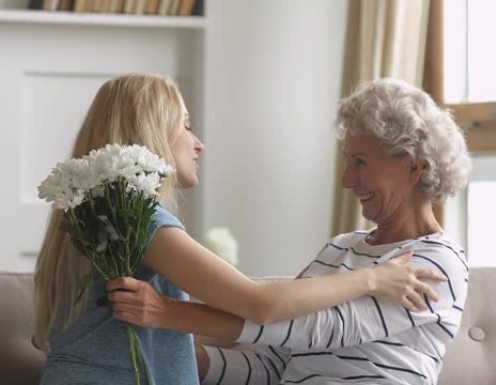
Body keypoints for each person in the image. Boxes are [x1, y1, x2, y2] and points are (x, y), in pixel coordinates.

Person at [33, 74, 446, 385]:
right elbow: (260, 303)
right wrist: (373, 277)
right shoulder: (137, 219)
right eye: (185, 125)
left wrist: (173, 323)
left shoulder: (94, 216)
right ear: (153, 133)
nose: (198, 143)